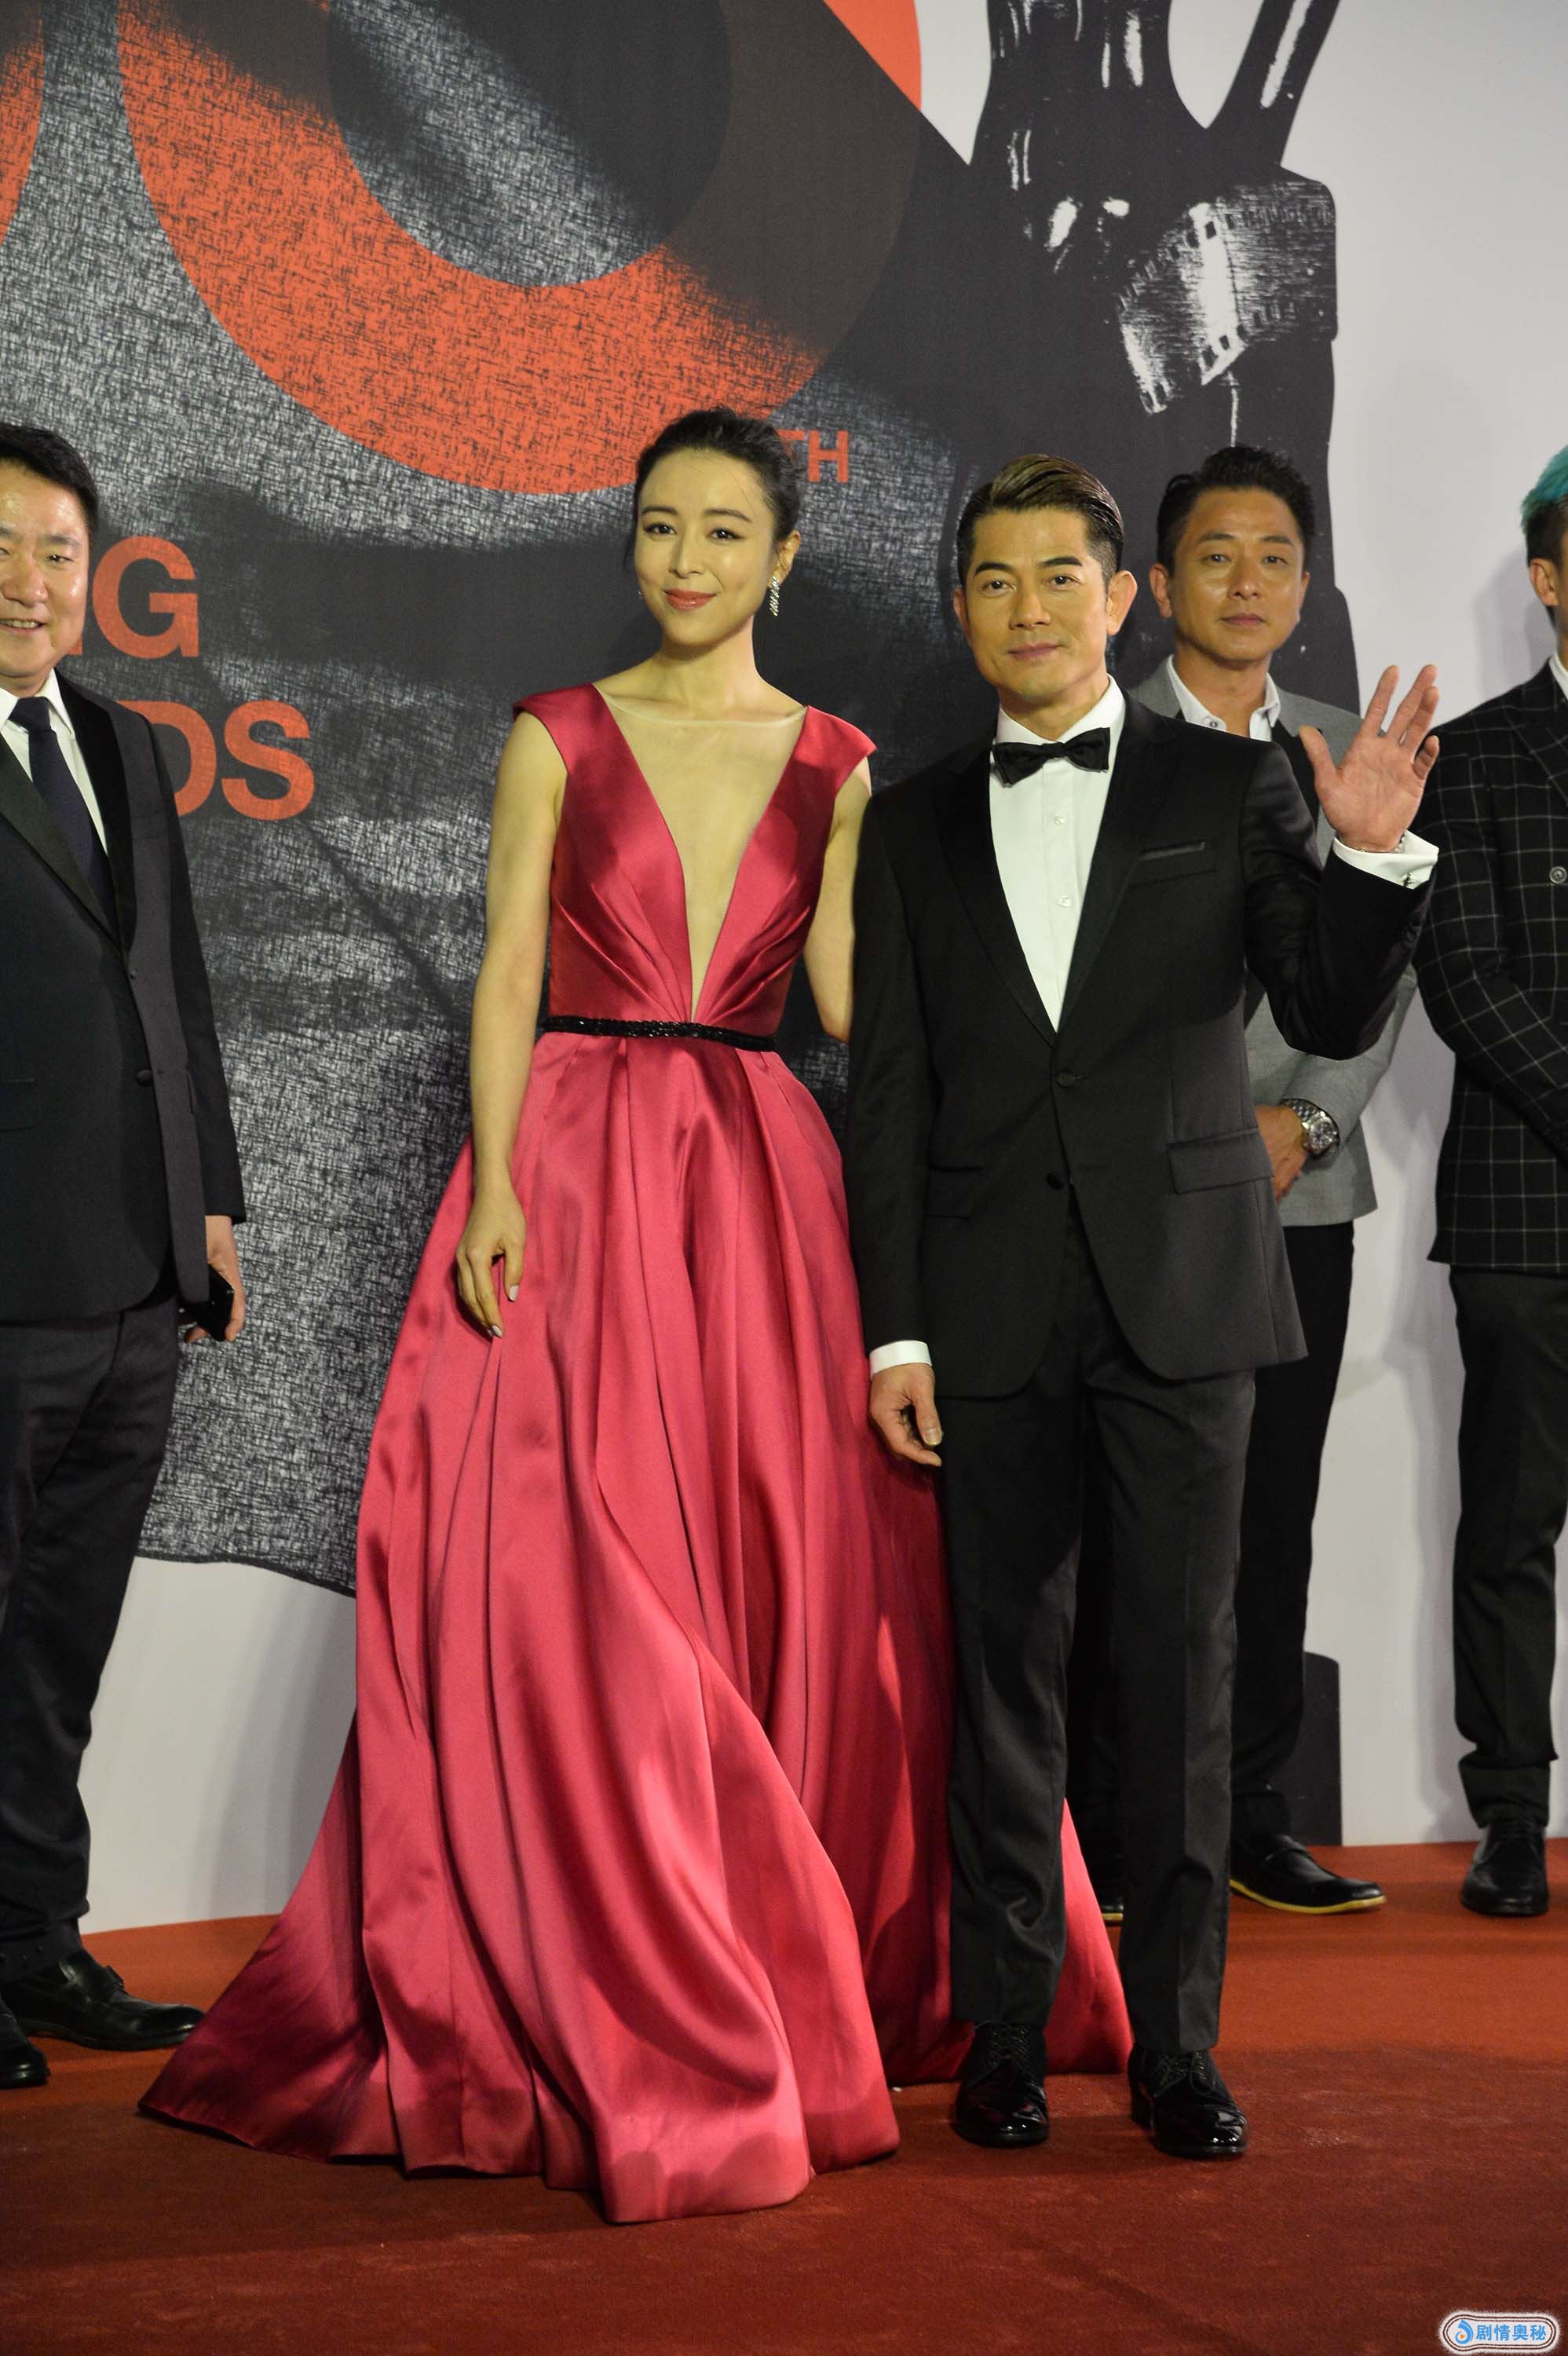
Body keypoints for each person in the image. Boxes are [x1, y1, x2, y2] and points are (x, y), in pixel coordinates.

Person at [143, 408, 1127, 2222]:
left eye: (723, 531)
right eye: (661, 528)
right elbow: (508, 972)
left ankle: (773, 1941)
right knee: (565, 1571)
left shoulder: (838, 763)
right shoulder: (557, 734)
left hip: (757, 1182)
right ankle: (607, 1958)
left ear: (784, 556)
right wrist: (496, 1185)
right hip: (574, 1168)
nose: (685, 560)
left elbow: (853, 1005)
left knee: (784, 1560)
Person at [846, 453, 1437, 2161]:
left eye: (1060, 577)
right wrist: (897, 1329)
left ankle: (1178, 2046)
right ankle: (1007, 2033)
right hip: (986, 1306)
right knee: (1003, 1685)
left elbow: (1325, 1006)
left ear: (1121, 600)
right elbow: (889, 1094)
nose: (1027, 608)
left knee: (1181, 1675)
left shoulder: (1229, 781)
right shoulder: (913, 819)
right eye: (994, 580)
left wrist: (1371, 860)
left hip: (1184, 1292)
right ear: (963, 610)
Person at [1071, 445, 1412, 1920]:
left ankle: (1253, 1813)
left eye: (1275, 557)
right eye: (1215, 555)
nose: (1248, 582)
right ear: (1158, 585)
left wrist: (1309, 1126)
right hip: (1140, 1195)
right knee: (1122, 1514)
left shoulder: (1346, 748)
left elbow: (1381, 978)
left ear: (1306, 583)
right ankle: (1107, 1827)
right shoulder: (1100, 736)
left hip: (1297, 1193)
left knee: (1273, 1510)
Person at [0, 425, 246, 2094]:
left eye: (59, 552)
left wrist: (208, 1203)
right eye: (3, 548)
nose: (31, 583)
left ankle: (34, 1945)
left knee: (59, 1641)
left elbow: (178, 993)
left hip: (139, 1280)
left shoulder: (124, 743)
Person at [1415, 444, 1568, 1920]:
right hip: (1526, 1205)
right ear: (1546, 578)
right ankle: (1510, 1815)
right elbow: (1463, 980)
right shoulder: (1470, 758)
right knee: (1511, 1522)